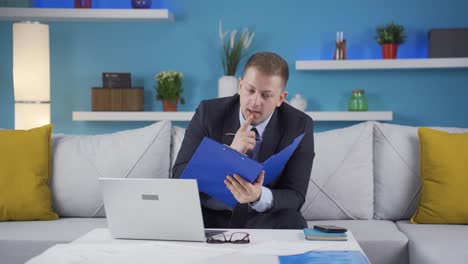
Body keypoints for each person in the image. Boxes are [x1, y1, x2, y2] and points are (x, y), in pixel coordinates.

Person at [172, 52, 315, 229]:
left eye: (266, 95)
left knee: (292, 222)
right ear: (240, 86)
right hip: (213, 217)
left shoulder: (300, 125)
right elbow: (178, 176)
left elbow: (296, 195)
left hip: (267, 219)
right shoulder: (208, 113)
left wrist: (258, 196)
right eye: (250, 90)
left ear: (280, 98)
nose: (255, 102)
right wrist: (228, 154)